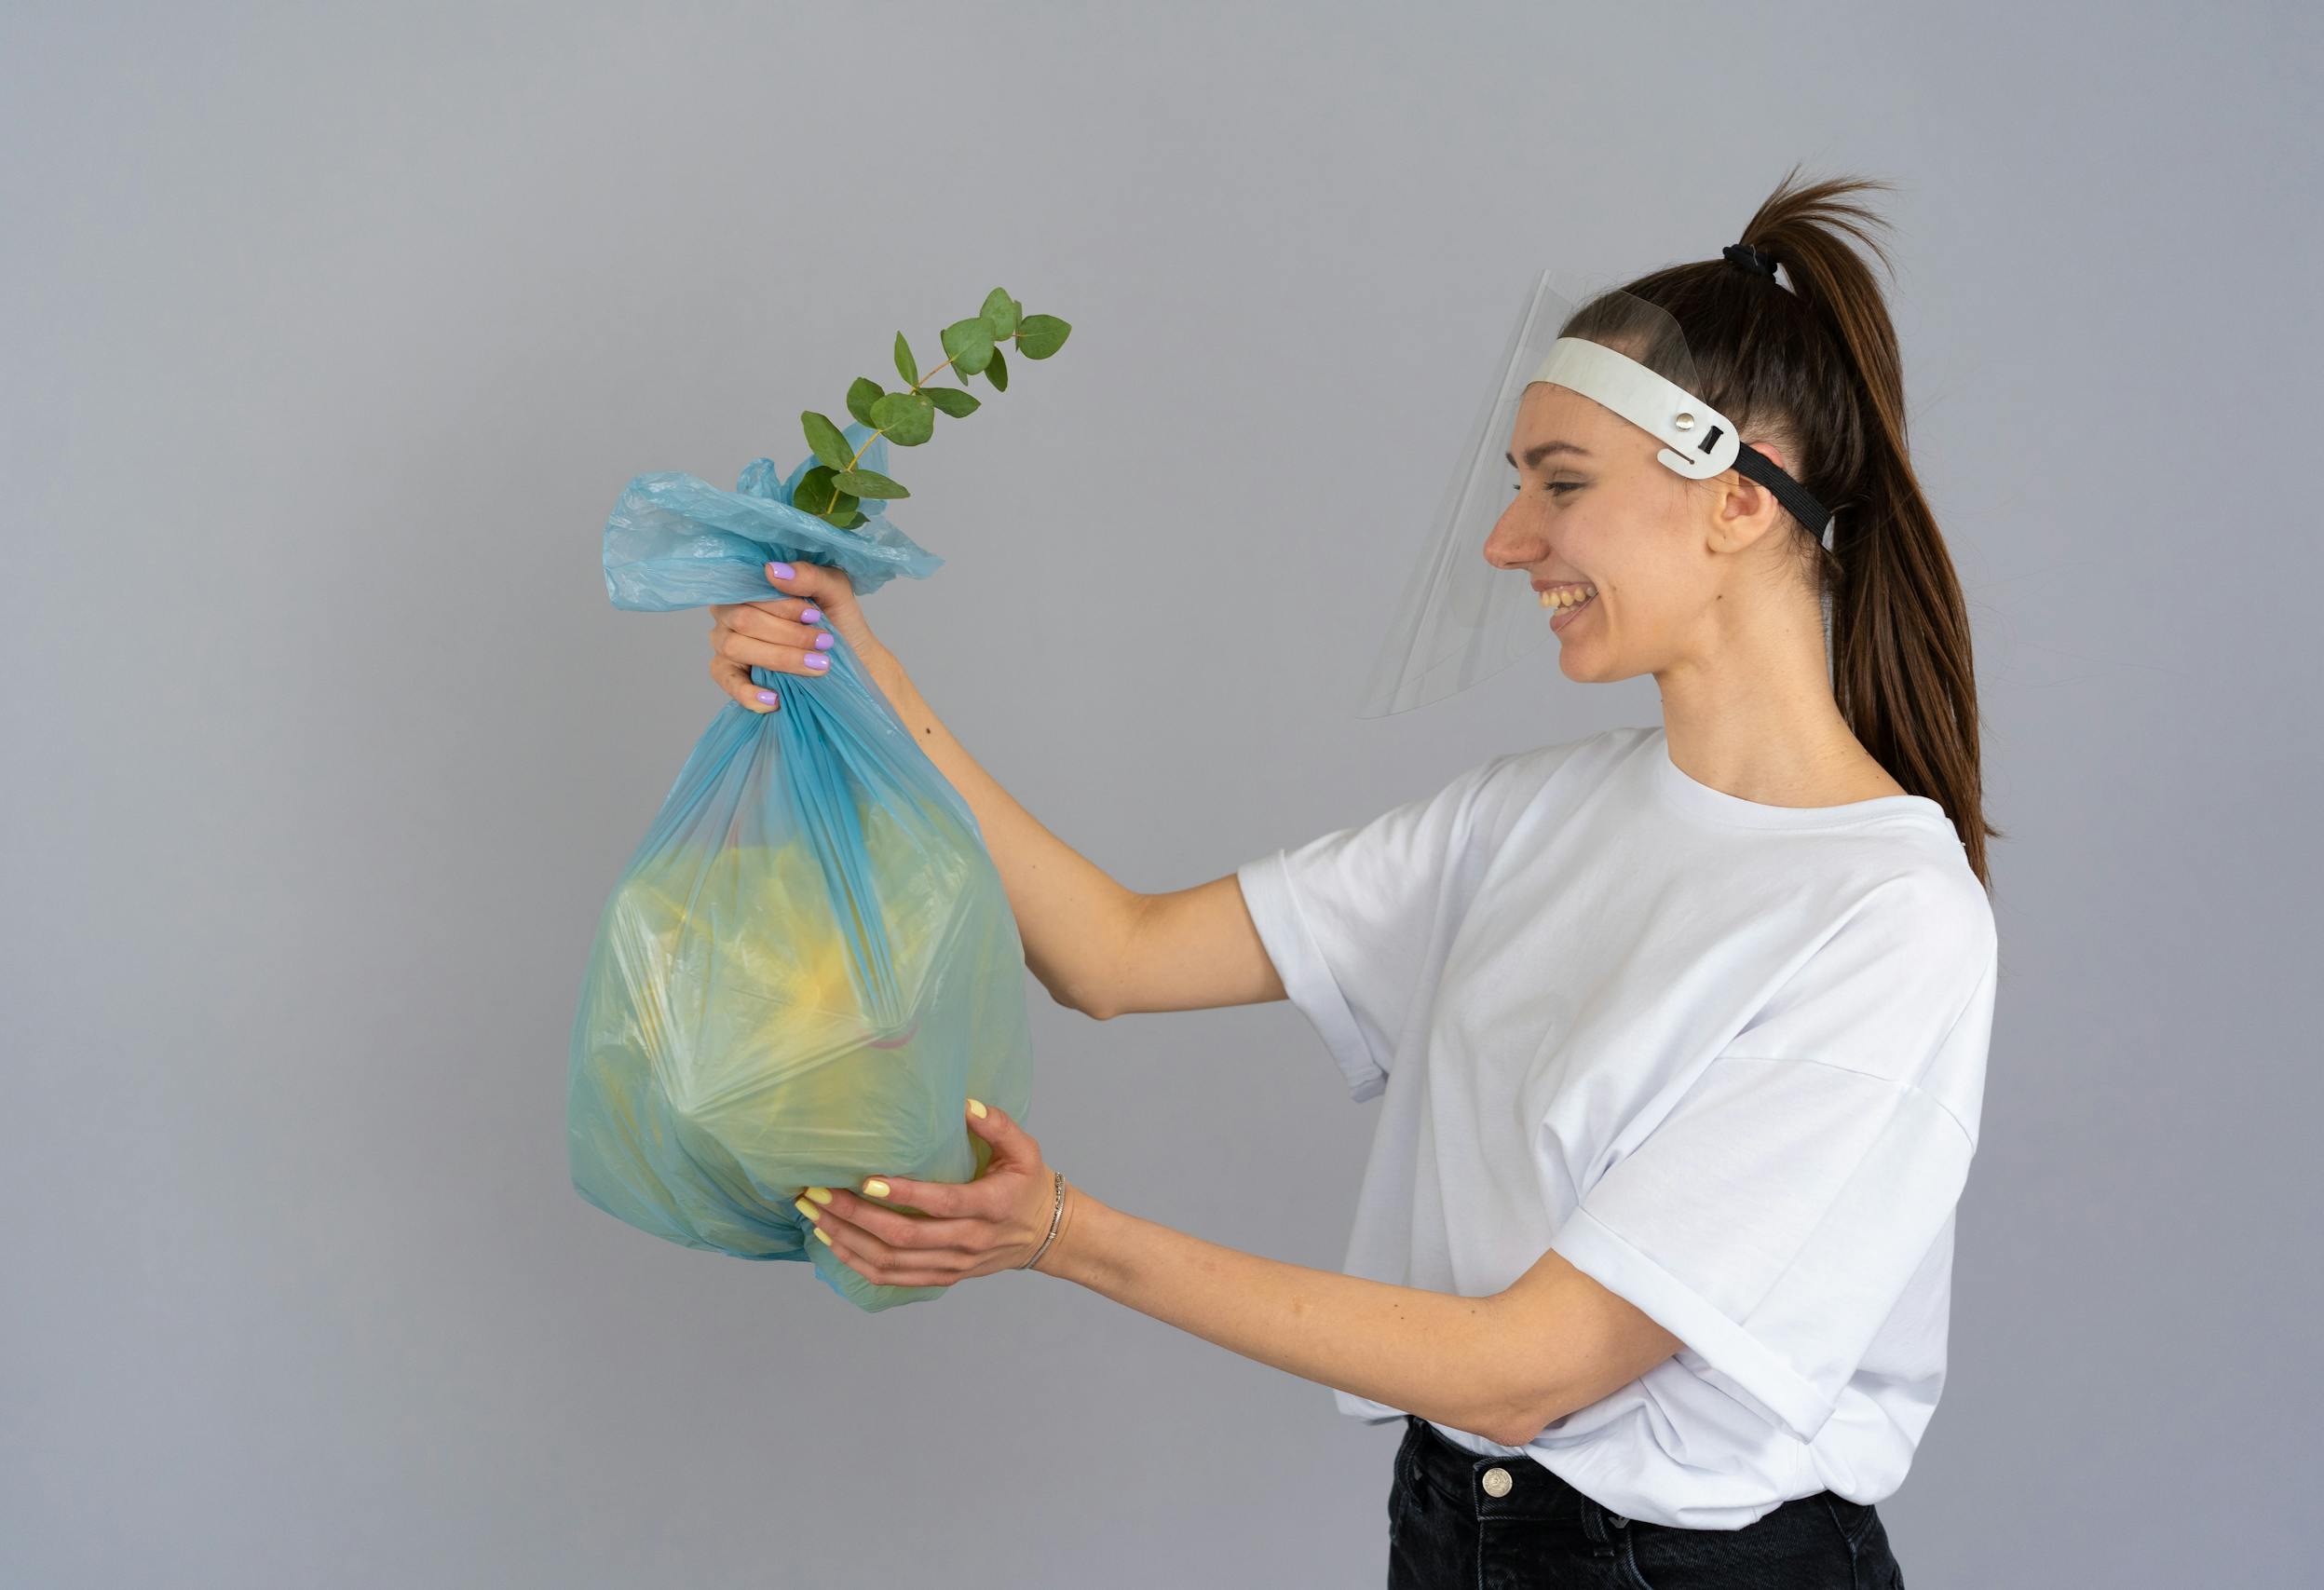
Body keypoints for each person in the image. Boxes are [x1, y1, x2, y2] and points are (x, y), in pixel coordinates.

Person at [707, 169, 1994, 1588]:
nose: (1508, 543)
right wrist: (858, 674)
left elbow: (1531, 1370)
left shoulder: (1886, 920)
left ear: (1740, 501)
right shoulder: (1530, 818)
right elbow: (1112, 954)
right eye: (1513, 489)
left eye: (1559, 486)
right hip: (1459, 1523)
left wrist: (1062, 1236)